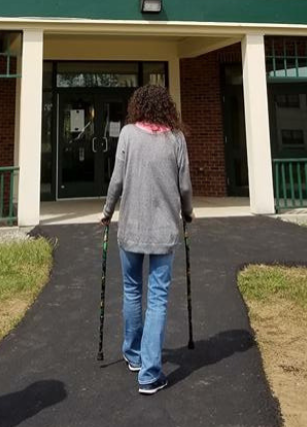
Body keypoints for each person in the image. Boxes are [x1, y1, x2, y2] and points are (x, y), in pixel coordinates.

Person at [100, 84, 194, 395]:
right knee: (157, 299)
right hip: (164, 231)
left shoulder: (127, 134)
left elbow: (117, 179)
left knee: (132, 291)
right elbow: (184, 186)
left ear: (138, 107)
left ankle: (134, 354)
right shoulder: (175, 139)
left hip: (131, 229)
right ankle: (151, 373)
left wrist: (106, 212)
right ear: (168, 109)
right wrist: (188, 213)